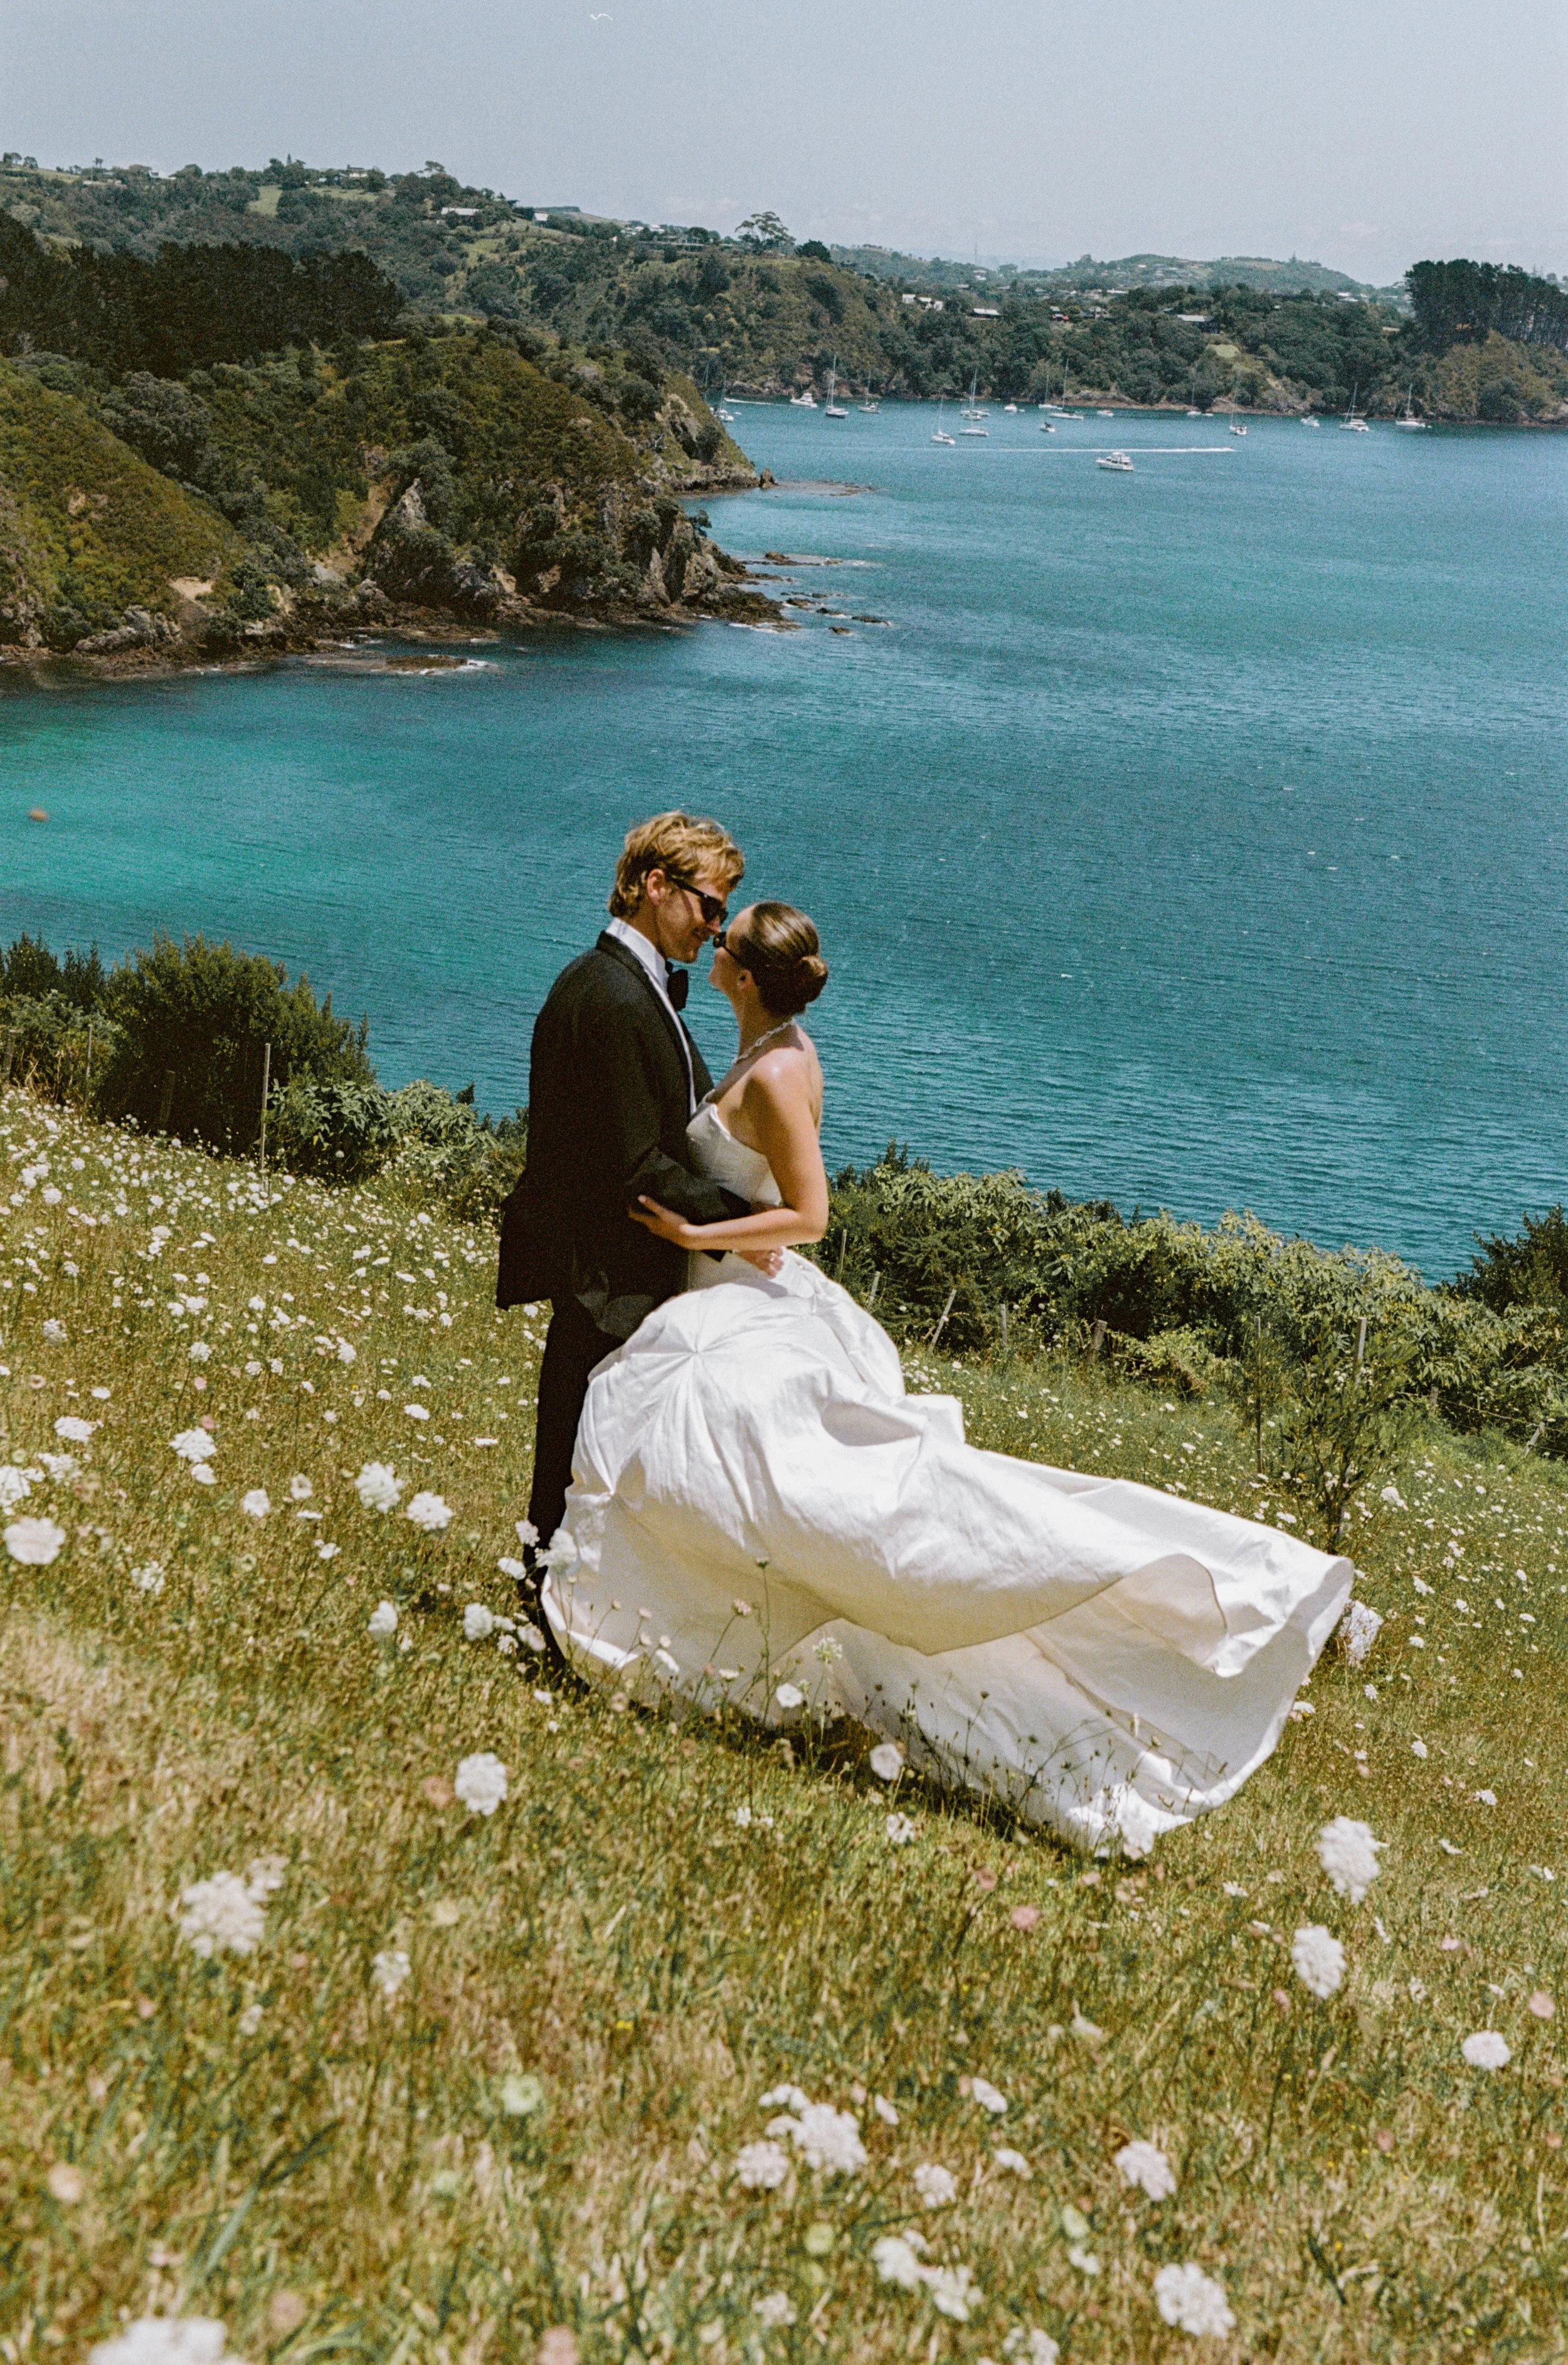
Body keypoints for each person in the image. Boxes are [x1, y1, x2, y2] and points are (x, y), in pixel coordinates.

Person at [538, 898, 1355, 1860]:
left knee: (849, 1509)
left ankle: (1196, 1580)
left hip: (744, 1302)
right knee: (754, 1501)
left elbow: (810, 1215)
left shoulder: (783, 1069)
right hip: (721, 1306)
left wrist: (695, 1233)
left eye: (726, 936)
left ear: (746, 976)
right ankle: (697, 1643)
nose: (710, 941)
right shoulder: (763, 1050)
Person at [496, 810, 758, 1597]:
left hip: (621, 1270)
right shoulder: (607, 996)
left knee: (599, 1458)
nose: (715, 931)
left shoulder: (624, 986)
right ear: (654, 886)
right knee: (579, 1464)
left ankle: (570, 1608)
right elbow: (634, 1159)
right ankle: (545, 1614)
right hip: (605, 1278)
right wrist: (742, 1225)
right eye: (708, 906)